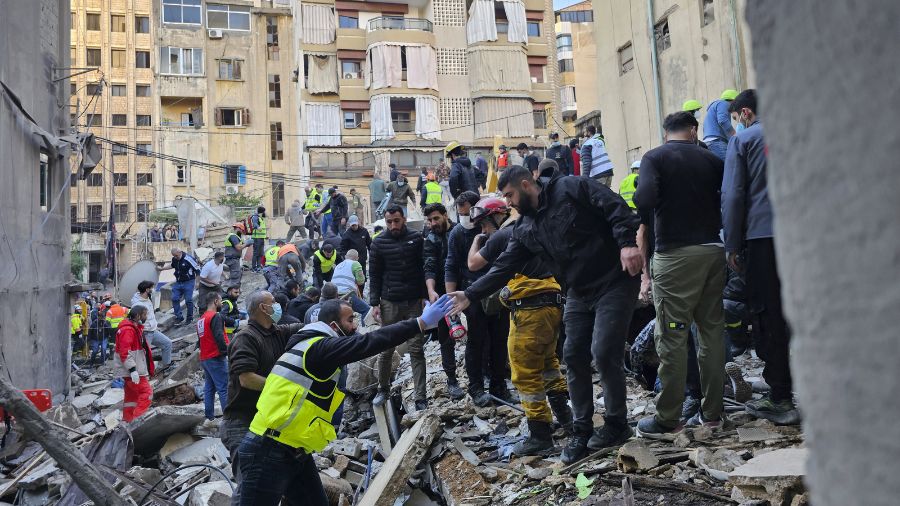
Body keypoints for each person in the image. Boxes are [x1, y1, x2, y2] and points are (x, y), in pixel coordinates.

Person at [447, 165, 643, 464]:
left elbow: (615, 206)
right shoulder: (525, 228)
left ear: (527, 184)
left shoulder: (572, 187)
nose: (508, 203)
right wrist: (469, 294)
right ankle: (581, 429)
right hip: (578, 290)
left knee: (603, 352)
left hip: (614, 280)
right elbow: (504, 267)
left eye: (510, 195)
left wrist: (628, 244)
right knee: (573, 354)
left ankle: (617, 424)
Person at [236, 296, 452, 506]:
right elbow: (369, 342)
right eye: (350, 320)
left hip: (293, 450)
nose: (354, 326)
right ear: (333, 325)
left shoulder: (308, 345)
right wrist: (419, 323)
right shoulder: (320, 348)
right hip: (269, 450)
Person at [633, 111, 726, 437]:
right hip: (714, 251)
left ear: (665, 132)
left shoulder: (655, 157)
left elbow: (644, 198)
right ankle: (713, 413)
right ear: (694, 130)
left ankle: (668, 417)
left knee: (672, 334)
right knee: (711, 331)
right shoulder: (712, 160)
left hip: (675, 257)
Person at [466, 196, 573, 454]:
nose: (483, 230)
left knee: (524, 371)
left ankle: (540, 435)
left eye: (483, 224)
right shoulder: (533, 228)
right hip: (552, 304)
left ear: (496, 216)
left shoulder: (502, 236)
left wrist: (476, 242)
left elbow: (473, 264)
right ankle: (568, 420)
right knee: (548, 364)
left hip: (530, 311)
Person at [722, 89, 798, 425]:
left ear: (746, 114)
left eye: (737, 118)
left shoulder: (746, 140)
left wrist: (732, 244)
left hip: (763, 236)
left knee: (768, 315)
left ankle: (781, 396)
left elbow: (734, 195)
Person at [221, 291, 304, 504]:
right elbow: (246, 379)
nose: (277, 306)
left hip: (268, 421)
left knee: (277, 482)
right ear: (262, 308)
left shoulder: (277, 332)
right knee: (249, 485)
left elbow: (302, 327)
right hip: (242, 422)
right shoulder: (246, 337)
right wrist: (284, 388)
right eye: (273, 303)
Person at [445, 191, 511, 407]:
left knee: (500, 341)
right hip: (471, 295)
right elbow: (452, 266)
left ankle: (498, 386)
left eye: (468, 214)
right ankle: (476, 388)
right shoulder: (458, 234)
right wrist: (450, 302)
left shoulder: (498, 234)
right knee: (477, 341)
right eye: (462, 214)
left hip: (499, 293)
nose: (465, 219)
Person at [369, 205, 429, 410]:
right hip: (389, 302)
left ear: (403, 219)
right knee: (386, 349)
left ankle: (421, 397)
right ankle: (382, 389)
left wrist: (424, 296)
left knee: (416, 349)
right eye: (389, 222)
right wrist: (374, 303)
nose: (393, 225)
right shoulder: (378, 243)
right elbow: (374, 274)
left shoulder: (416, 239)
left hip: (413, 301)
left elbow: (423, 268)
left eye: (396, 220)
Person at [422, 203, 464, 401]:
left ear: (445, 216)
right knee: (446, 339)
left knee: (478, 335)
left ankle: (482, 378)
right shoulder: (430, 239)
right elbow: (429, 265)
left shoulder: (459, 231)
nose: (433, 223)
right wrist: (431, 291)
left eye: (436, 218)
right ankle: (452, 380)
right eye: (429, 220)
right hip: (442, 294)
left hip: (466, 290)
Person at [115, 305, 154, 422]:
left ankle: (127, 421)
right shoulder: (128, 330)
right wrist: (132, 370)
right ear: (137, 316)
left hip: (132, 370)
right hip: (132, 371)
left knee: (131, 399)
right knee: (147, 393)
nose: (146, 317)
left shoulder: (133, 328)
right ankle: (137, 422)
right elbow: (125, 352)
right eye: (144, 314)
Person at [198, 292, 230, 421]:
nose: (222, 304)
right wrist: (226, 352)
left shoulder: (201, 319)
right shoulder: (215, 316)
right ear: (216, 301)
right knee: (224, 389)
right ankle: (229, 419)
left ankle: (209, 418)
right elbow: (219, 336)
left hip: (205, 358)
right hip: (216, 357)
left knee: (209, 389)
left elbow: (199, 340)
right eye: (221, 301)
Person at [131, 281, 173, 371]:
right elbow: (137, 320)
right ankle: (143, 373)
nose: (153, 289)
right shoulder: (138, 304)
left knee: (167, 343)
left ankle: (166, 366)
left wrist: (154, 325)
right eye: (151, 288)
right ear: (147, 289)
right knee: (144, 354)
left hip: (153, 331)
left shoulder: (148, 298)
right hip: (145, 333)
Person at [331, 250, 370, 315]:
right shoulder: (355, 263)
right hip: (347, 294)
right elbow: (361, 282)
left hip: (334, 296)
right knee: (366, 310)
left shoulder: (338, 266)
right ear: (357, 258)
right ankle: (365, 325)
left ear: (346, 256)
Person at [703, 89, 738, 160]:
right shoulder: (724, 103)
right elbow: (722, 120)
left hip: (711, 142)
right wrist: (734, 135)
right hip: (717, 141)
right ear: (733, 100)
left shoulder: (715, 106)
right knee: (729, 166)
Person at [250, 206, 269, 271]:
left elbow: (263, 228)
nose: (265, 213)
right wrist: (258, 227)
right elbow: (255, 224)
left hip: (261, 238)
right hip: (256, 238)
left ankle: (259, 266)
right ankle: (254, 267)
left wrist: (265, 236)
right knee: (256, 253)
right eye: (264, 212)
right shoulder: (255, 217)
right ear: (262, 212)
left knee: (261, 253)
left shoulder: (261, 218)